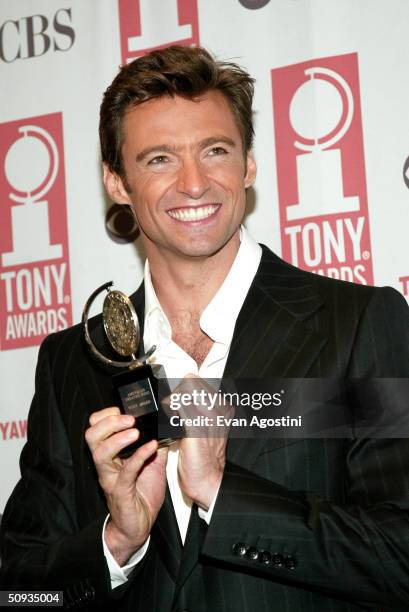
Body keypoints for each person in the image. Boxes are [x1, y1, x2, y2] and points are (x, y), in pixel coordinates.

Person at [1, 45, 409, 612]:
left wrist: (222, 494)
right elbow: (20, 594)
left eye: (214, 151)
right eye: (159, 159)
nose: (194, 184)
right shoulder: (75, 360)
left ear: (248, 165)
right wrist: (117, 543)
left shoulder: (356, 325)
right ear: (117, 181)